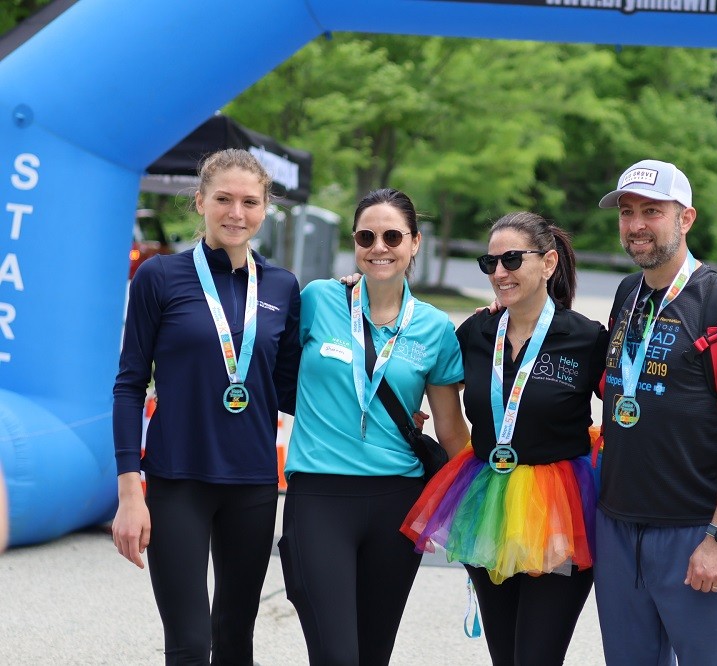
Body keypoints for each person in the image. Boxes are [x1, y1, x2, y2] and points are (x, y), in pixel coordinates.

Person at [112, 148, 302, 664]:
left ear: (265, 209)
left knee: (236, 641)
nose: (236, 213)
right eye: (223, 199)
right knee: (191, 645)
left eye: (249, 201)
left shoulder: (283, 287)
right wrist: (131, 492)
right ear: (200, 202)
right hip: (178, 484)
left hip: (253, 486)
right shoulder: (159, 277)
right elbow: (129, 385)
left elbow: (291, 390)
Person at [402, 212, 609, 665]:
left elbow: (630, 412)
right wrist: (355, 294)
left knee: (537, 655)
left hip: (559, 510)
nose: (499, 273)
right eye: (489, 262)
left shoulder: (587, 339)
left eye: (512, 260)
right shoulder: (476, 332)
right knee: (505, 655)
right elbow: (412, 366)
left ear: (548, 263)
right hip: (487, 503)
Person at [279, 187, 469, 666]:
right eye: (367, 235)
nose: (379, 246)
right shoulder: (319, 299)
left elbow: (450, 429)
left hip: (396, 503)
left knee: (372, 655)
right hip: (319, 497)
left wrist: (479, 502)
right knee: (337, 655)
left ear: (415, 243)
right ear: (355, 242)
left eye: (392, 236)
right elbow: (269, 369)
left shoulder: (434, 327)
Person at [594, 160, 717, 665]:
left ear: (686, 218)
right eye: (627, 212)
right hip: (619, 528)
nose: (636, 225)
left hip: (694, 531)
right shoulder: (628, 294)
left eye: (653, 211)